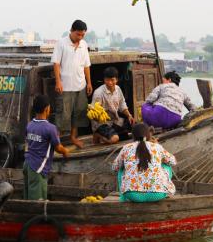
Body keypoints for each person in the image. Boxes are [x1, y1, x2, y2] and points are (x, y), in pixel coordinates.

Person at [51, 19, 93, 148]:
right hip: (65, 86)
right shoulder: (61, 43)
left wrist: (89, 83)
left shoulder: (84, 44)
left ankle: (73, 137)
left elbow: (86, 65)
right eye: (78, 35)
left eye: (82, 35)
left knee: (78, 113)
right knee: (62, 113)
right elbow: (56, 63)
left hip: (80, 85)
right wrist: (58, 82)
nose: (80, 37)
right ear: (71, 31)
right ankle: (57, 142)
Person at [111, 123, 176, 202]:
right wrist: (158, 151)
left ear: (133, 136)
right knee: (166, 165)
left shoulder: (126, 147)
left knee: (121, 169)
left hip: (132, 195)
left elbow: (115, 167)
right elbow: (173, 161)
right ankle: (164, 187)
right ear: (148, 135)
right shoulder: (156, 147)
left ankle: (123, 198)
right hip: (157, 194)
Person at [23, 95, 70, 200]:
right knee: (37, 202)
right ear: (46, 109)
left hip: (27, 164)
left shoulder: (29, 125)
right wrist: (65, 151)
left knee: (27, 197)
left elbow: (28, 142)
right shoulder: (50, 128)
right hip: (37, 168)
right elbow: (58, 148)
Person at [91, 66, 134, 144]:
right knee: (114, 139)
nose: (110, 82)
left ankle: (110, 134)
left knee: (129, 133)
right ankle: (97, 133)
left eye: (112, 80)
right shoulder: (99, 93)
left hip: (114, 121)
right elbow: (94, 113)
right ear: (104, 80)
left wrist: (129, 115)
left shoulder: (118, 89)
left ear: (116, 80)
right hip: (101, 123)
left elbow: (122, 104)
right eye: (107, 80)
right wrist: (98, 119)